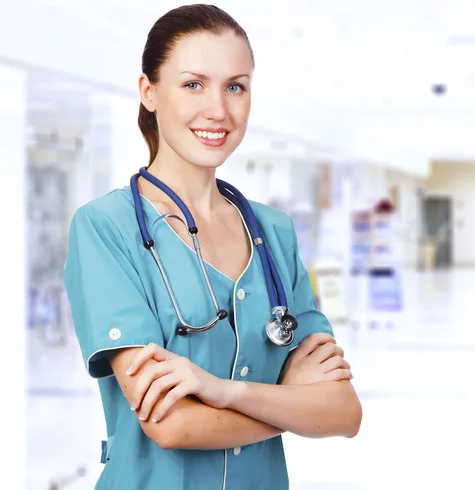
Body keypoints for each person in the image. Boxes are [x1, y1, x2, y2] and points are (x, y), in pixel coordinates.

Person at [63, 4, 362, 490]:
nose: (218, 110)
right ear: (149, 92)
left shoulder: (273, 232)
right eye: (193, 84)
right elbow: (172, 424)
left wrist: (224, 391)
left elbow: (343, 412)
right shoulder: (105, 228)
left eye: (235, 86)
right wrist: (290, 402)